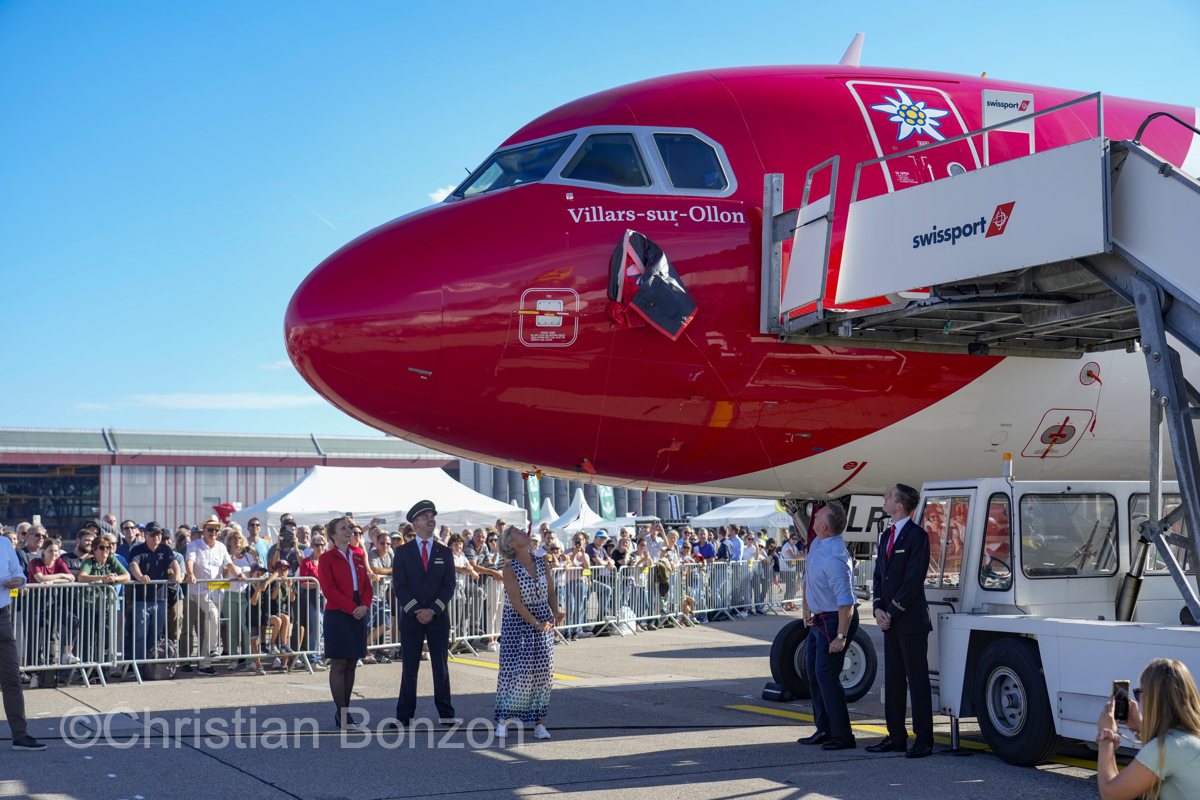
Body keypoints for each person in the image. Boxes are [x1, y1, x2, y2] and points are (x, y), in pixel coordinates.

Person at [866, 484, 935, 758]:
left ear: (900, 505)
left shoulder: (917, 536)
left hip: (910, 620)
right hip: (889, 620)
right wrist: (877, 608)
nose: (884, 498)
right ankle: (896, 736)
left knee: (917, 682)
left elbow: (913, 581)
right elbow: (879, 577)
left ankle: (924, 739)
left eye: (889, 496)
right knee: (893, 680)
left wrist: (891, 612)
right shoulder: (886, 535)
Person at [797, 503, 859, 751]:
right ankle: (824, 729)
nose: (813, 518)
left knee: (826, 675)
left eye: (817, 516)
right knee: (814, 673)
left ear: (824, 526)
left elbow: (846, 603)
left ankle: (843, 736)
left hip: (835, 620)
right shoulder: (817, 544)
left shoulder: (835, 557)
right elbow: (807, 578)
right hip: (820, 618)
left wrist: (841, 636)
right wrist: (806, 608)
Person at [1095, 658, 1200, 800]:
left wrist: (1106, 736)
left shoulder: (1167, 747)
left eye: (1139, 694)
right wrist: (1141, 727)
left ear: (1153, 699)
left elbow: (1111, 794)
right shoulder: (1190, 735)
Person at [494, 524, 563, 739]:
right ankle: (504, 720)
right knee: (516, 671)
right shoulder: (509, 568)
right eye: (517, 532)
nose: (523, 532)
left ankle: (539, 723)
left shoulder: (543, 562)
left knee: (543, 670)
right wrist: (536, 623)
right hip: (518, 623)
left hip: (542, 620)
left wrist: (556, 610)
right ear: (511, 543)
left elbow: (550, 591)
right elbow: (516, 603)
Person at [392, 500, 458, 727]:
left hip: (437, 618)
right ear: (415, 522)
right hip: (412, 619)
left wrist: (433, 610)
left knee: (440, 667)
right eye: (426, 516)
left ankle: (447, 714)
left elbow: (449, 585)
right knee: (409, 668)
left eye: (433, 515)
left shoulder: (445, 552)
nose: (431, 519)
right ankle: (404, 717)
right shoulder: (402, 552)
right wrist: (416, 611)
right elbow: (399, 586)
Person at [316, 516, 373, 728]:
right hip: (339, 613)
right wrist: (352, 608)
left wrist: (364, 606)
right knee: (339, 663)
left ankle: (345, 714)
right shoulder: (326, 558)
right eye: (344, 528)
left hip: (358, 611)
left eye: (349, 527)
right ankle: (342, 714)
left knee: (351, 663)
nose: (349, 530)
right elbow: (328, 590)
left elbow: (367, 585)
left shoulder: (358, 555)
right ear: (333, 535)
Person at [1, 532, 44, 750]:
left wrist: (20, 579)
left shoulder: (4, 543)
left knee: (12, 678)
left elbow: (18, 572)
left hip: (2, 616)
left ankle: (20, 735)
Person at [184, 516, 232, 676]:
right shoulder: (194, 545)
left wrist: (239, 574)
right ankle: (212, 649)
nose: (213, 532)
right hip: (199, 590)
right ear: (203, 530)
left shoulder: (221, 547)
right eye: (210, 529)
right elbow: (189, 561)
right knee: (212, 615)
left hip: (218, 589)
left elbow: (229, 563)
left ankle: (205, 664)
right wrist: (190, 574)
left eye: (216, 530)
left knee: (210, 623)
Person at [127, 523, 181, 662]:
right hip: (140, 599)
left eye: (159, 534)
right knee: (140, 634)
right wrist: (139, 576)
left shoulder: (165, 549)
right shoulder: (137, 550)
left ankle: (152, 664)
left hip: (161, 599)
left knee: (156, 635)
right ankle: (139, 664)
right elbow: (133, 564)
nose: (157, 537)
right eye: (153, 534)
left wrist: (178, 574)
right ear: (145, 535)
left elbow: (174, 562)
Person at [221, 529, 255, 670]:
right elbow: (221, 575)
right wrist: (231, 560)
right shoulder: (226, 556)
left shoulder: (247, 556)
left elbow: (257, 571)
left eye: (239, 539)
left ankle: (249, 660)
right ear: (229, 542)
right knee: (232, 628)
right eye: (234, 538)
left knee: (246, 628)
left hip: (245, 596)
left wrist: (255, 556)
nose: (237, 541)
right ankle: (234, 659)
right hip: (230, 595)